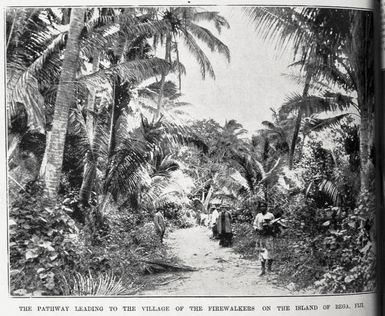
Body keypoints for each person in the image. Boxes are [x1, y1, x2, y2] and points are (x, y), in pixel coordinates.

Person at [253, 203, 275, 276]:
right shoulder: (258, 215)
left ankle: (269, 268)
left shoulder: (270, 215)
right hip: (261, 236)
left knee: (270, 251)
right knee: (261, 252)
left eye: (264, 206)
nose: (262, 208)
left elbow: (274, 225)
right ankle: (263, 270)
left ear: (266, 207)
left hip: (269, 236)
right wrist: (256, 229)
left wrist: (270, 226)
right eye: (261, 206)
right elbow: (254, 224)